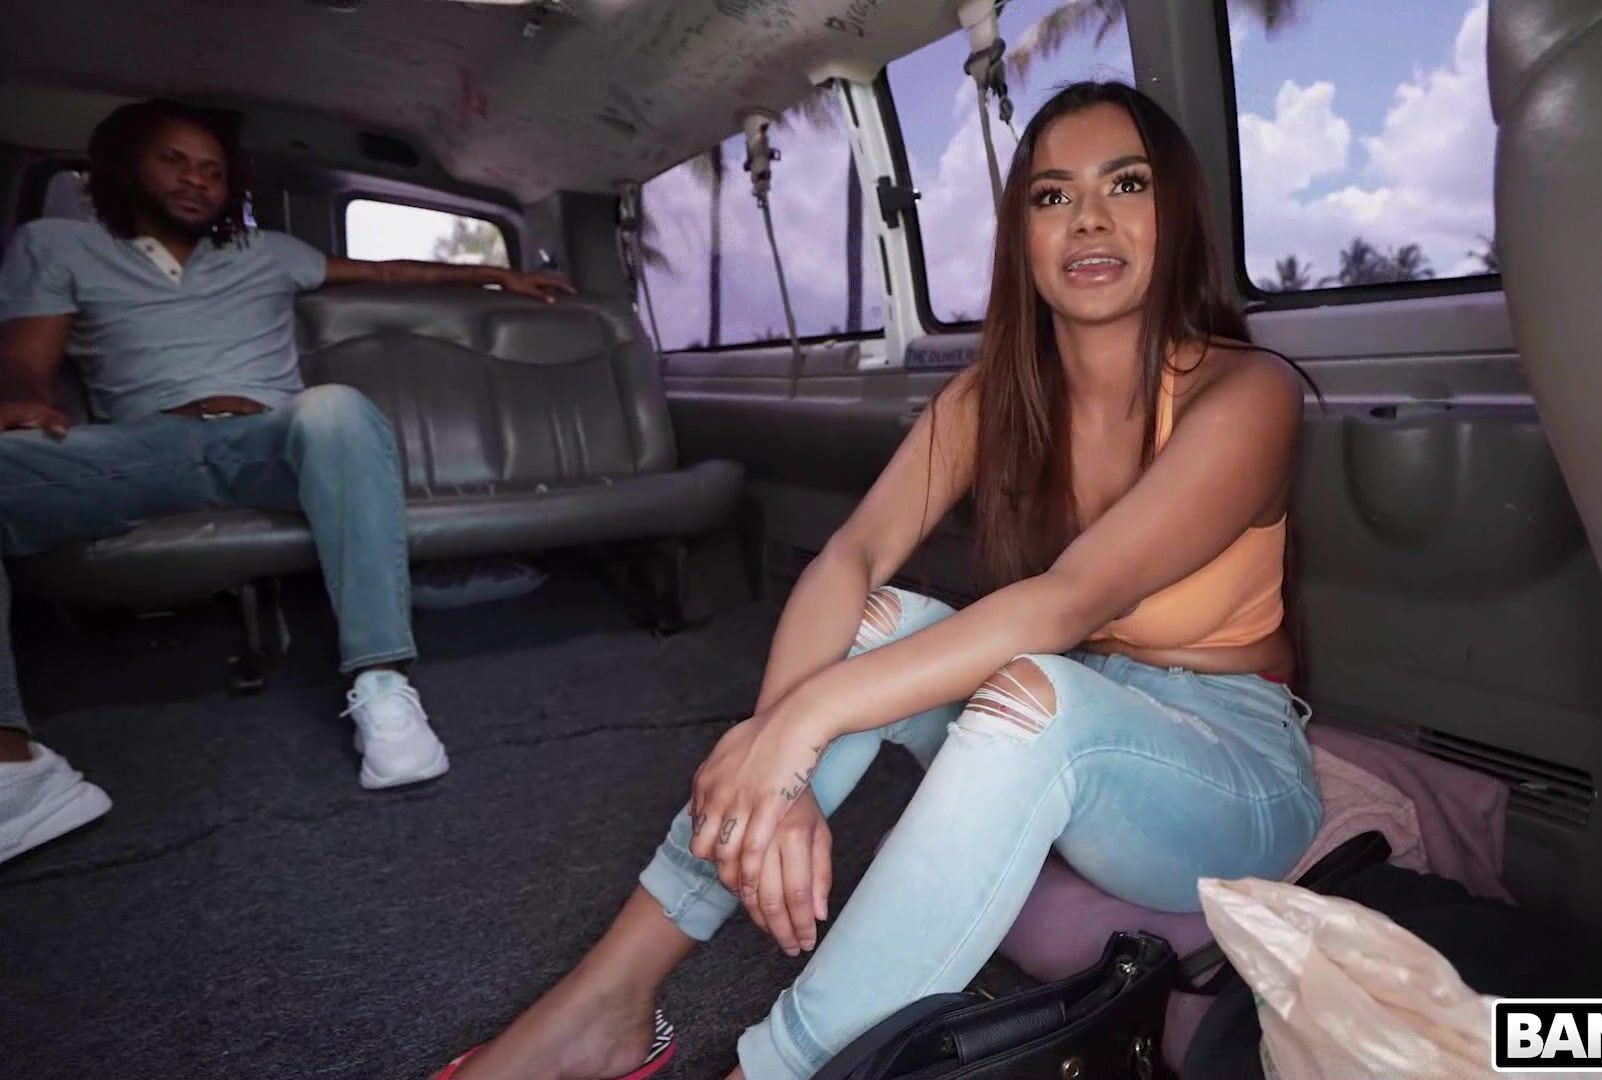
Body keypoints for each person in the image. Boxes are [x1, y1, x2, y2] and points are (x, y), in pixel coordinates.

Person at [443, 81, 1325, 1080]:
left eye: (1127, 185)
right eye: (1052, 195)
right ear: (1022, 235)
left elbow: (1071, 600)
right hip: (1074, 708)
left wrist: (802, 722)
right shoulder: (995, 397)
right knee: (871, 621)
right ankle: (606, 1005)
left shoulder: (1246, 392)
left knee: (1030, 696)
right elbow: (853, 554)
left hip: (1225, 768)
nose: (1088, 218)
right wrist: (777, 756)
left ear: (1179, 212)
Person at [0, 98, 573, 865]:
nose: (196, 181)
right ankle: (16, 772)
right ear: (126, 167)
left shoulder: (267, 252)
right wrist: (22, 398)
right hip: (143, 448)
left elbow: (391, 272)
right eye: (175, 161)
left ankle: (382, 689)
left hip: (270, 442)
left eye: (212, 171)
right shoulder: (58, 245)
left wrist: (500, 276)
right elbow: (24, 360)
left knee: (334, 408)